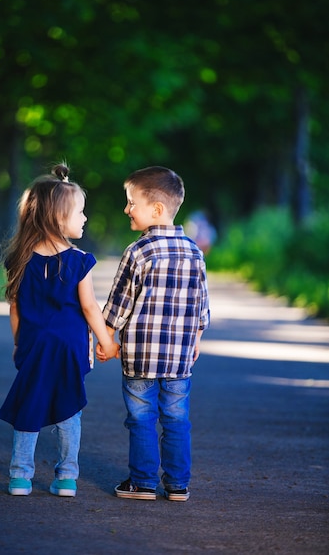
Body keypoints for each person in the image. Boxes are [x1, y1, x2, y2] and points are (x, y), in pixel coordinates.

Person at [0, 163, 119, 497]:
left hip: (35, 344)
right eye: (80, 212)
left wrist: (17, 343)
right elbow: (89, 307)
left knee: (30, 406)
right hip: (69, 345)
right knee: (69, 409)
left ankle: (20, 477)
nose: (84, 218)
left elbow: (16, 307)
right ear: (57, 217)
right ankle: (67, 477)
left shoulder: (21, 258)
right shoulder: (79, 260)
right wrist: (107, 341)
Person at [96, 166, 210, 502]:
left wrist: (106, 341)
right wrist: (196, 339)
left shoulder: (138, 252)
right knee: (177, 419)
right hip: (179, 358)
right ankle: (178, 485)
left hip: (140, 357)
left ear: (156, 210)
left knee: (141, 418)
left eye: (132, 202)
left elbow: (118, 304)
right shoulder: (195, 252)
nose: (126, 209)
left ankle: (143, 482)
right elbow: (201, 304)